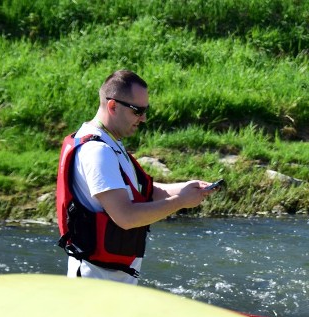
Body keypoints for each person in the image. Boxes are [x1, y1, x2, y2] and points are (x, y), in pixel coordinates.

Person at [56, 70, 215, 284]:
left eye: (145, 110)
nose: (143, 118)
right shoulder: (97, 151)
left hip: (113, 276)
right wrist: (181, 202)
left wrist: (186, 188)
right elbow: (126, 216)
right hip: (96, 281)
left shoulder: (110, 142)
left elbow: (143, 192)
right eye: (137, 111)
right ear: (112, 106)